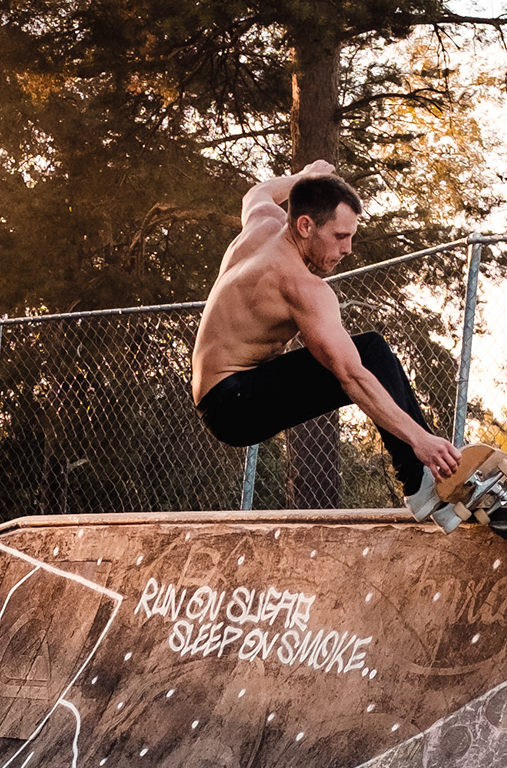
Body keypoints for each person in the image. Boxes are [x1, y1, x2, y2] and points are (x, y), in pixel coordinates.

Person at [191, 162, 463, 514]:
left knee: (371, 350)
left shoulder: (261, 222)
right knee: (369, 355)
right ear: (305, 225)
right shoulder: (299, 285)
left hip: (224, 392)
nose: (348, 249)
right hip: (234, 408)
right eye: (339, 237)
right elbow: (351, 377)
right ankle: (423, 486)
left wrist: (304, 177)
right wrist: (419, 439)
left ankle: (425, 476)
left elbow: (255, 193)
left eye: (350, 236)